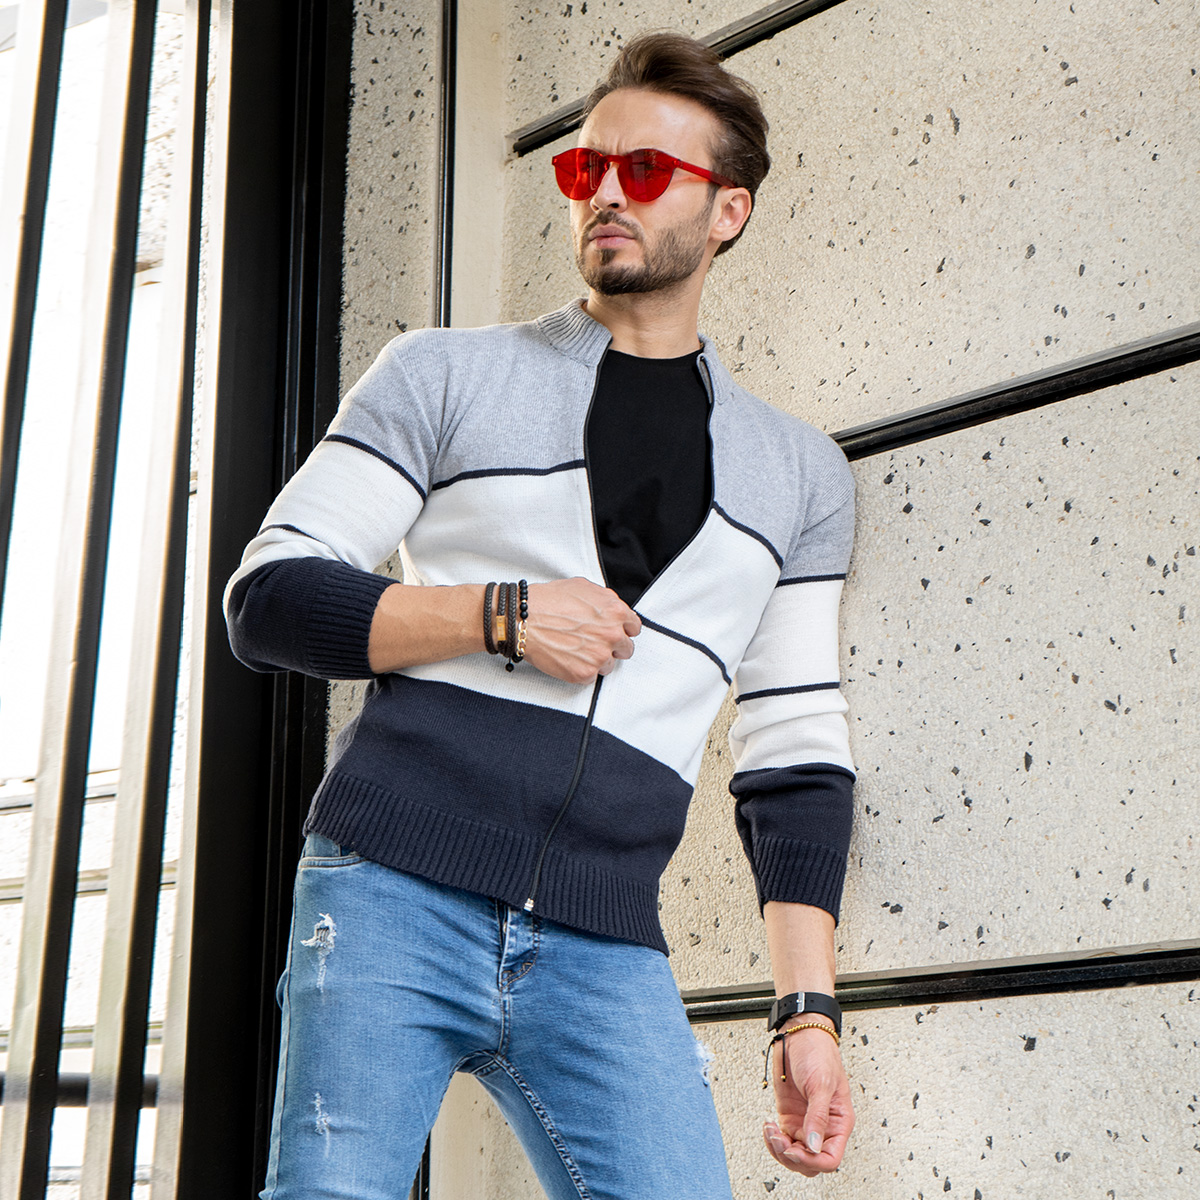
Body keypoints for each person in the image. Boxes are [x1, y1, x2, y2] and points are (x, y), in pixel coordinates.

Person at [226, 31, 857, 1200]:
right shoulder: (443, 375)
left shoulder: (800, 477)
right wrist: (501, 615)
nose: (606, 191)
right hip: (387, 889)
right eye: (585, 168)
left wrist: (805, 1010)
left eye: (647, 171)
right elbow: (272, 596)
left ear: (729, 211)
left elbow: (795, 759)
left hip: (603, 940)